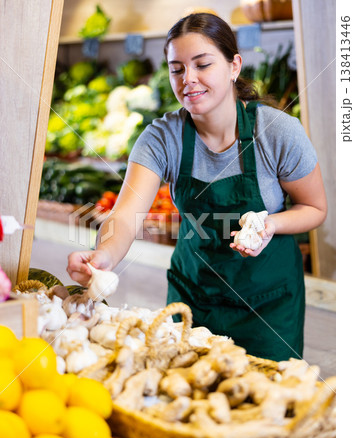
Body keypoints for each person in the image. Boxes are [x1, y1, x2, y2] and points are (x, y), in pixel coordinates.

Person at [67, 13, 327, 361]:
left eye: (202, 64)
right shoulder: (162, 138)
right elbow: (126, 216)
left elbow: (315, 208)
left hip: (268, 308)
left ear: (234, 65)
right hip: (193, 301)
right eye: (177, 69)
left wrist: (271, 224)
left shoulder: (278, 132)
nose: (188, 80)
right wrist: (104, 256)